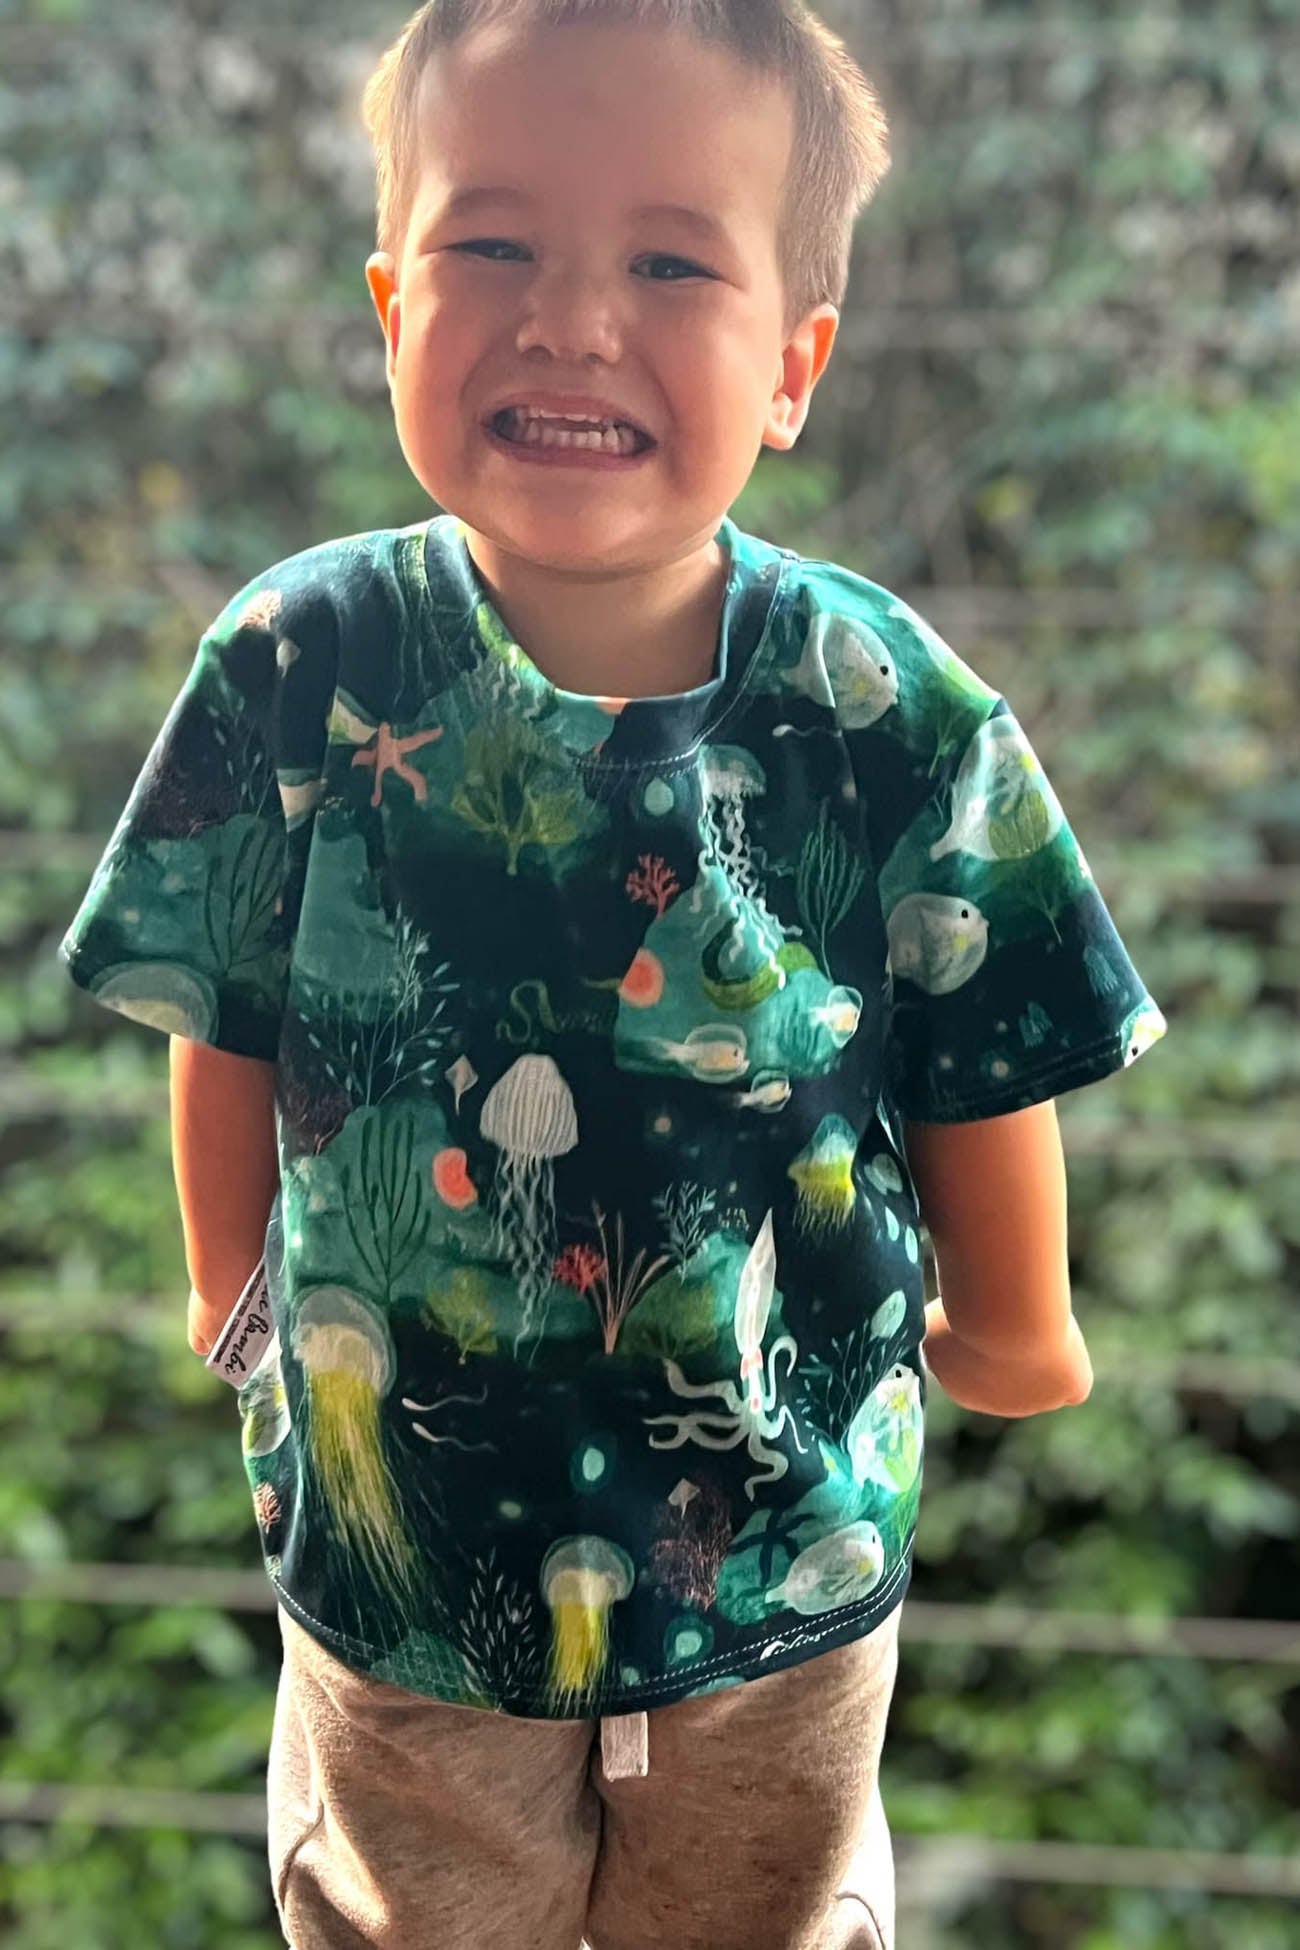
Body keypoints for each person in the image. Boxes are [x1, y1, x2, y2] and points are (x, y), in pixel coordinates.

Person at [56, 3, 1170, 1945]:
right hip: (407, 1561)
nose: (569, 321)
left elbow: (983, 1047)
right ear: (389, 304)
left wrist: (1016, 1316)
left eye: (668, 262)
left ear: (793, 364)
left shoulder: (885, 705)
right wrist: (232, 1292)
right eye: (493, 243)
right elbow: (221, 1003)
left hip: (786, 1542)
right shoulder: (300, 661)